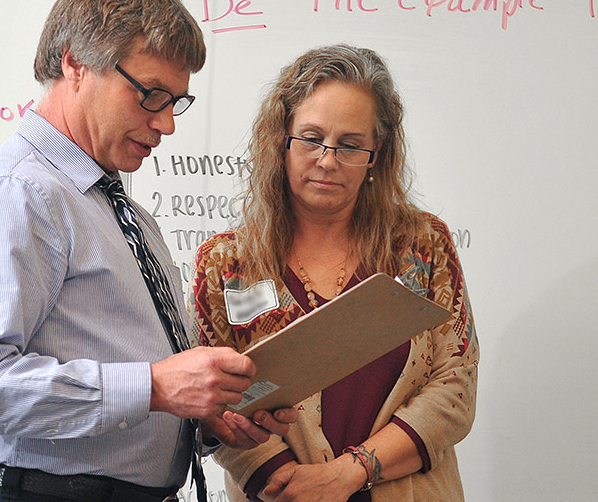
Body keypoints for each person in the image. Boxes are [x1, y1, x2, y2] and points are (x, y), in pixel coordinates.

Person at [0, 0, 295, 502]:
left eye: (176, 102)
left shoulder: (129, 216)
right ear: (74, 63)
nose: (167, 124)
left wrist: (210, 415)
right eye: (151, 94)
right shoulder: (14, 195)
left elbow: (147, 387)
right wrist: (154, 387)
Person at [189, 44, 478, 501]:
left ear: (375, 155)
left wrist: (348, 474)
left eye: (349, 145)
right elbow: (216, 404)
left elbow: (455, 386)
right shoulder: (228, 265)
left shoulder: (422, 247)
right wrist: (288, 484)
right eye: (310, 138)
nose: (327, 160)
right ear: (280, 142)